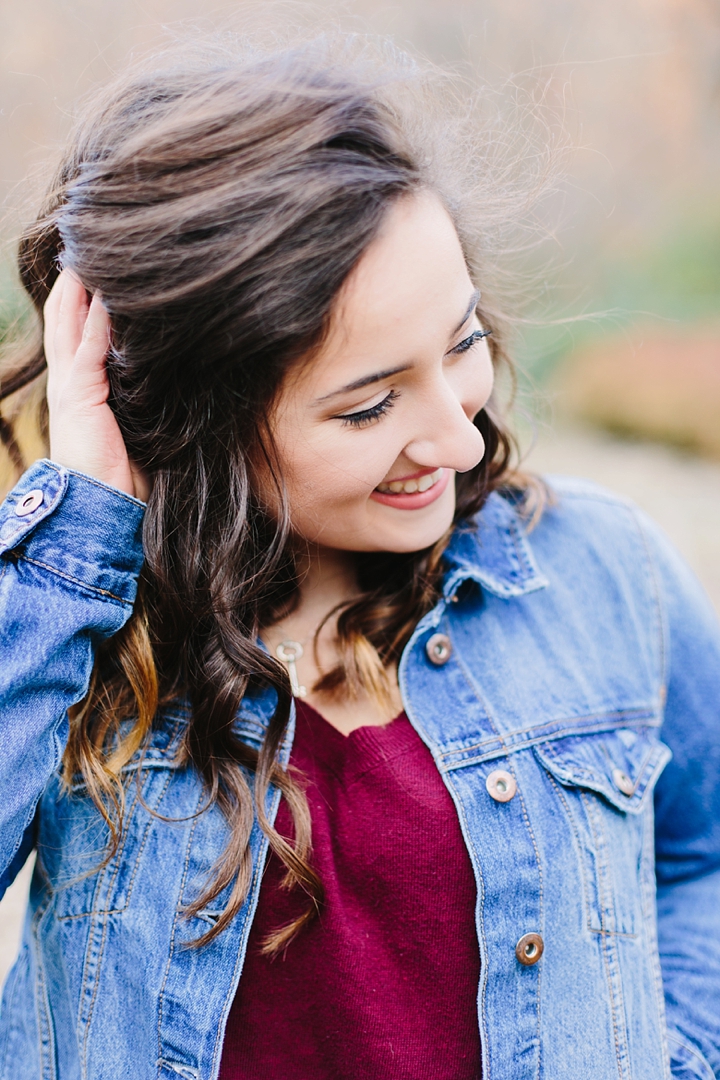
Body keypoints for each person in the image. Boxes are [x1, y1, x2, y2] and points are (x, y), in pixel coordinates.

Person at [0, 31, 718, 1080]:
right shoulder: (82, 629)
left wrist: (679, 1054)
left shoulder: (605, 571)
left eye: (462, 344)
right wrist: (79, 535)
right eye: (371, 403)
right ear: (203, 424)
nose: (462, 439)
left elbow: (706, 848)